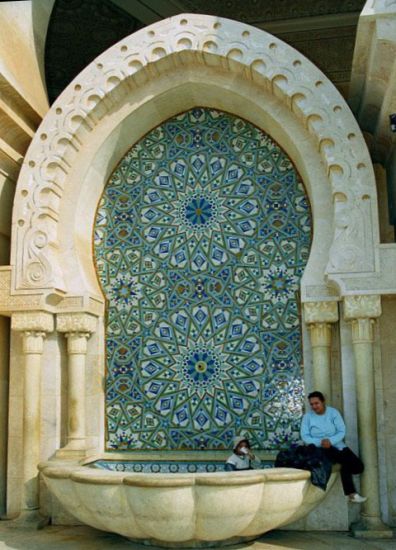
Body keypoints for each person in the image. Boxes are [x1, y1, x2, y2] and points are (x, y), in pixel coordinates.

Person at [300, 390, 366, 503]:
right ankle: (351, 494)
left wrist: (330, 440)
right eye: (312, 404)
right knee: (345, 462)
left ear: (323, 402)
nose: (314, 406)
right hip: (321, 449)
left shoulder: (333, 413)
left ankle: (350, 495)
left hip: (338, 446)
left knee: (358, 467)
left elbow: (342, 431)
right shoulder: (308, 417)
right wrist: (320, 442)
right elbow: (305, 436)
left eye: (317, 403)